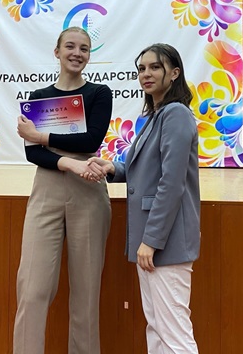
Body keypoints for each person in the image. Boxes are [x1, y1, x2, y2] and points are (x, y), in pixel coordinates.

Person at [85, 43, 200, 353]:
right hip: (153, 243)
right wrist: (113, 168)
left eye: (155, 67)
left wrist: (151, 240)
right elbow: (147, 171)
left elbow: (171, 184)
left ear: (174, 73)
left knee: (174, 334)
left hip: (164, 242)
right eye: (141, 69)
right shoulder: (157, 115)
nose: (146, 74)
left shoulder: (176, 115)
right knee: (158, 328)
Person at [13, 26, 113, 354]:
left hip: (89, 192)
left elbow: (90, 140)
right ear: (57, 52)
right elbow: (33, 153)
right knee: (32, 288)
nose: (77, 53)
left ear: (89, 56)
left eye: (84, 49)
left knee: (86, 294)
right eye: (70, 46)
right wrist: (68, 163)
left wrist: (40, 136)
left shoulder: (100, 93)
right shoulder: (39, 97)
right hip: (47, 190)